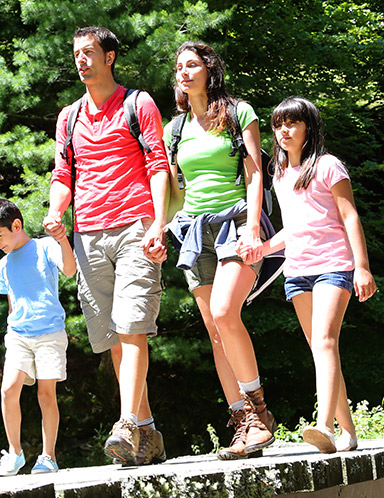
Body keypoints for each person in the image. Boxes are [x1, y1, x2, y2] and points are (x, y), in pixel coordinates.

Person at [43, 26, 170, 466]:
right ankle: (148, 435)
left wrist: (158, 223)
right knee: (113, 337)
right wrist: (56, 212)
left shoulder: (139, 104)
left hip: (135, 226)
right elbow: (63, 175)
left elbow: (159, 165)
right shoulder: (68, 116)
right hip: (88, 234)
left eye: (89, 52)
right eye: (76, 53)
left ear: (109, 57)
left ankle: (127, 423)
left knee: (133, 326)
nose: (81, 60)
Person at [239, 96, 377, 454]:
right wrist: (263, 249)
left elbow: (350, 217)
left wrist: (361, 267)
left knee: (326, 342)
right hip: (297, 271)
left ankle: (325, 426)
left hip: (334, 265)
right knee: (320, 348)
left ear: (308, 128)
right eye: (278, 124)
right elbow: (294, 229)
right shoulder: (280, 174)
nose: (284, 131)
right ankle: (347, 432)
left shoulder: (330, 166)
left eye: (292, 123)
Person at [163, 41, 281, 460]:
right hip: (195, 232)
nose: (184, 72)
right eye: (179, 67)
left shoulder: (238, 113)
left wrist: (252, 228)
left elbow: (255, 174)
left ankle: (259, 412)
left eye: (192, 65)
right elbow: (175, 192)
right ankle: (244, 422)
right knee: (216, 333)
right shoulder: (173, 129)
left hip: (236, 223)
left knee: (226, 313)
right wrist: (160, 229)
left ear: (209, 69)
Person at [0, 198, 77, 475]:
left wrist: (63, 239)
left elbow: (70, 270)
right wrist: (12, 327)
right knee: (8, 389)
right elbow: (12, 302)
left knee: (46, 395)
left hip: (49, 334)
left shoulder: (45, 247)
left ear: (16, 225)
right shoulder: (3, 265)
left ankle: (48, 457)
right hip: (18, 335)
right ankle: (15, 454)